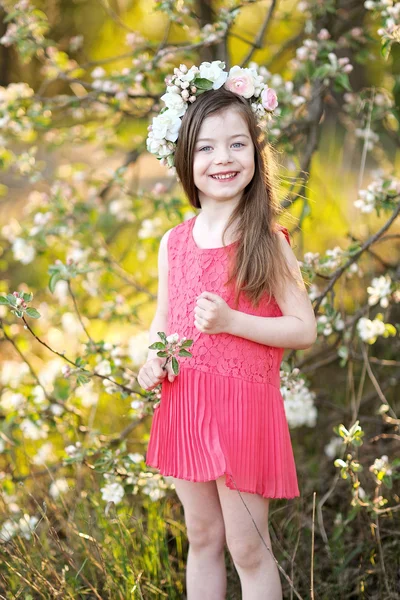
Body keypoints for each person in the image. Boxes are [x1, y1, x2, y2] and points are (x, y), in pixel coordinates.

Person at [138, 61, 317, 600]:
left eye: (237, 145)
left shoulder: (266, 241)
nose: (223, 159)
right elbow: (163, 321)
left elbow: (303, 328)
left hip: (242, 408)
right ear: (185, 159)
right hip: (185, 400)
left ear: (255, 155)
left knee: (247, 546)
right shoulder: (174, 242)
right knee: (203, 534)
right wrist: (153, 357)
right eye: (207, 148)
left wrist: (234, 321)